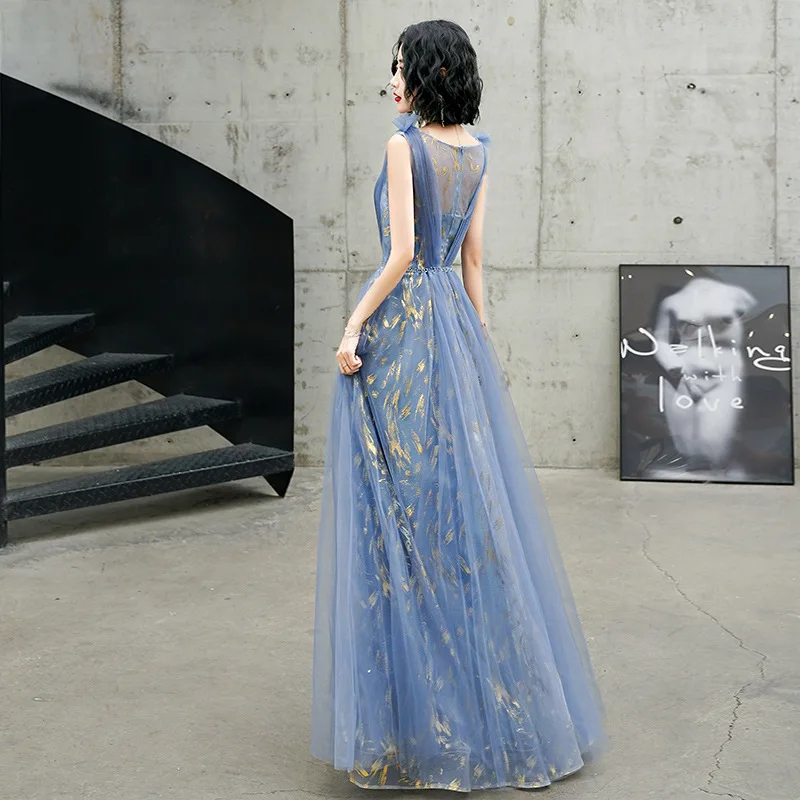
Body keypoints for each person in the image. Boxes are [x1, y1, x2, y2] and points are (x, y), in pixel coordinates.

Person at [311, 20, 606, 792]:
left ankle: (419, 716)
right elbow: (472, 259)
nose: (392, 78)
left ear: (428, 72)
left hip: (406, 335)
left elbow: (403, 252)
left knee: (399, 516)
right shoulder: (478, 151)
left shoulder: (402, 148)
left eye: (401, 65)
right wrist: (478, 347)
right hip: (454, 332)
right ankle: (489, 705)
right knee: (463, 517)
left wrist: (353, 320)